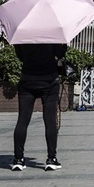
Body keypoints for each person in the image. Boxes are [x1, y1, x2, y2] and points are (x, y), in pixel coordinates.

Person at [11, 43, 68, 171]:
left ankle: (18, 159)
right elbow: (60, 53)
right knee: (50, 120)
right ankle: (51, 159)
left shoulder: (23, 34)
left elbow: (20, 56)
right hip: (49, 80)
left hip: (27, 79)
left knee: (23, 120)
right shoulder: (52, 34)